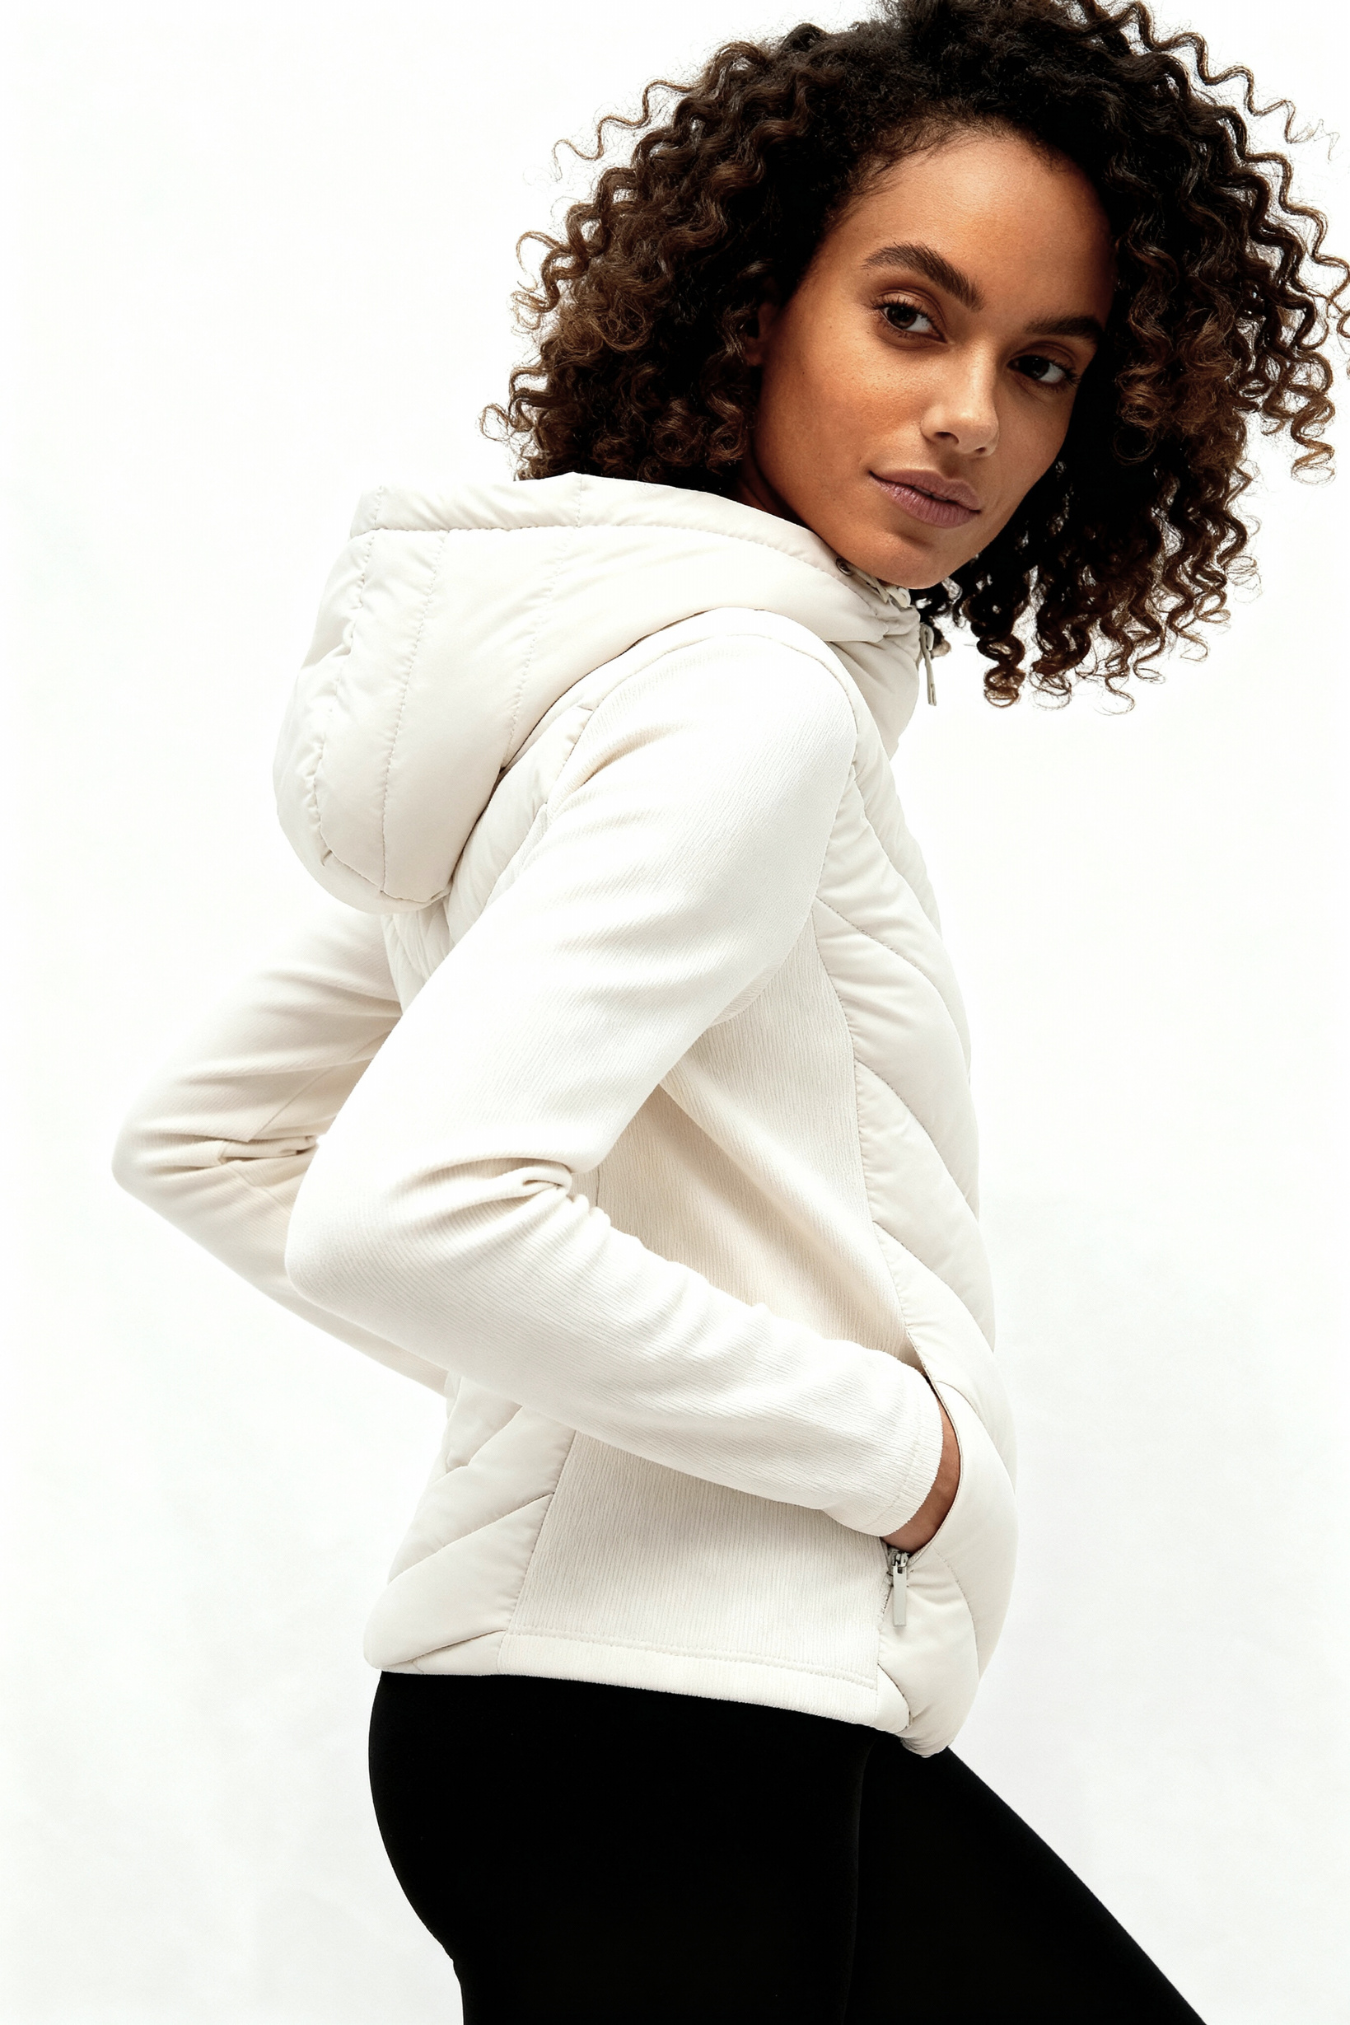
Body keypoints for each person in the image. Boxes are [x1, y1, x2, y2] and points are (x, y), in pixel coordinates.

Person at [112, 2, 1346, 2018]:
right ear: (751, 306)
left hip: (617, 1722)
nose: (971, 418)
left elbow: (209, 1137)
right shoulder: (742, 710)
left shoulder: (627, 702)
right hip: (664, 1745)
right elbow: (400, 1211)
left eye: (1043, 365)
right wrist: (896, 1450)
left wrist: (580, 1384)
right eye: (911, 317)